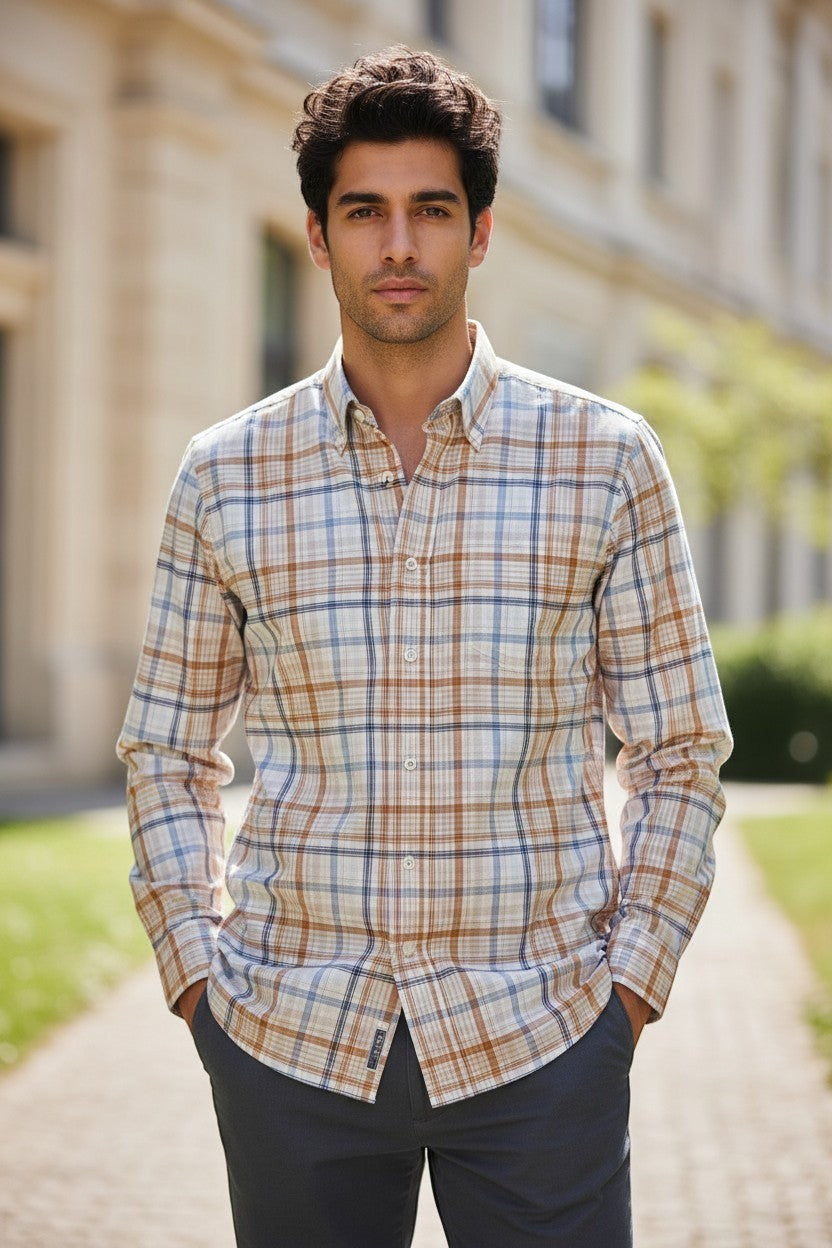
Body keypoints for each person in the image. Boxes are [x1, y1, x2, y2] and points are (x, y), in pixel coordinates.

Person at [118, 46, 732, 1248]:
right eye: (365, 212)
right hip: (291, 1046)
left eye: (430, 211)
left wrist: (629, 991)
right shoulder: (224, 475)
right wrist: (199, 977)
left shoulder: (606, 460)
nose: (398, 246)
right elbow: (165, 752)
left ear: (481, 231)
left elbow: (679, 751)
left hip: (543, 1041)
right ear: (317, 233)